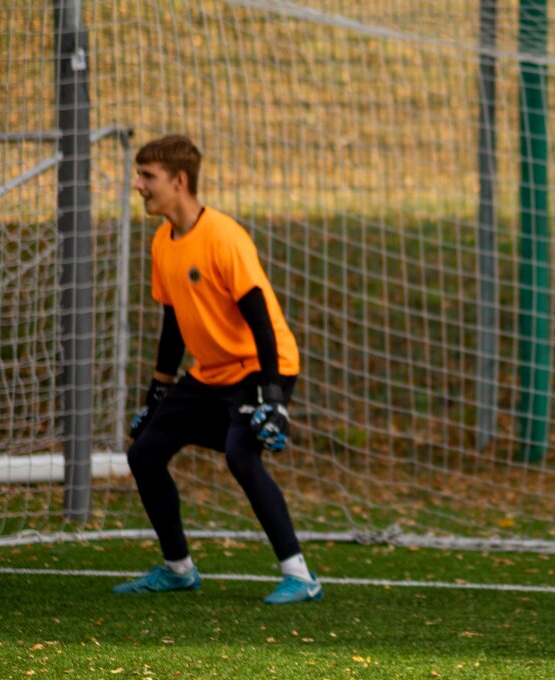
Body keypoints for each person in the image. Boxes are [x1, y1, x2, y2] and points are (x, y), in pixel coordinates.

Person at [114, 134, 323, 605]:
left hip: (260, 366)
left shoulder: (224, 237)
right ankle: (178, 570)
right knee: (144, 454)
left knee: (240, 454)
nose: (138, 185)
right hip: (209, 373)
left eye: (147, 176)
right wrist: (159, 391)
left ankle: (300, 576)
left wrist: (273, 395)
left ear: (179, 181)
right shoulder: (162, 242)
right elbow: (173, 322)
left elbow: (261, 319)